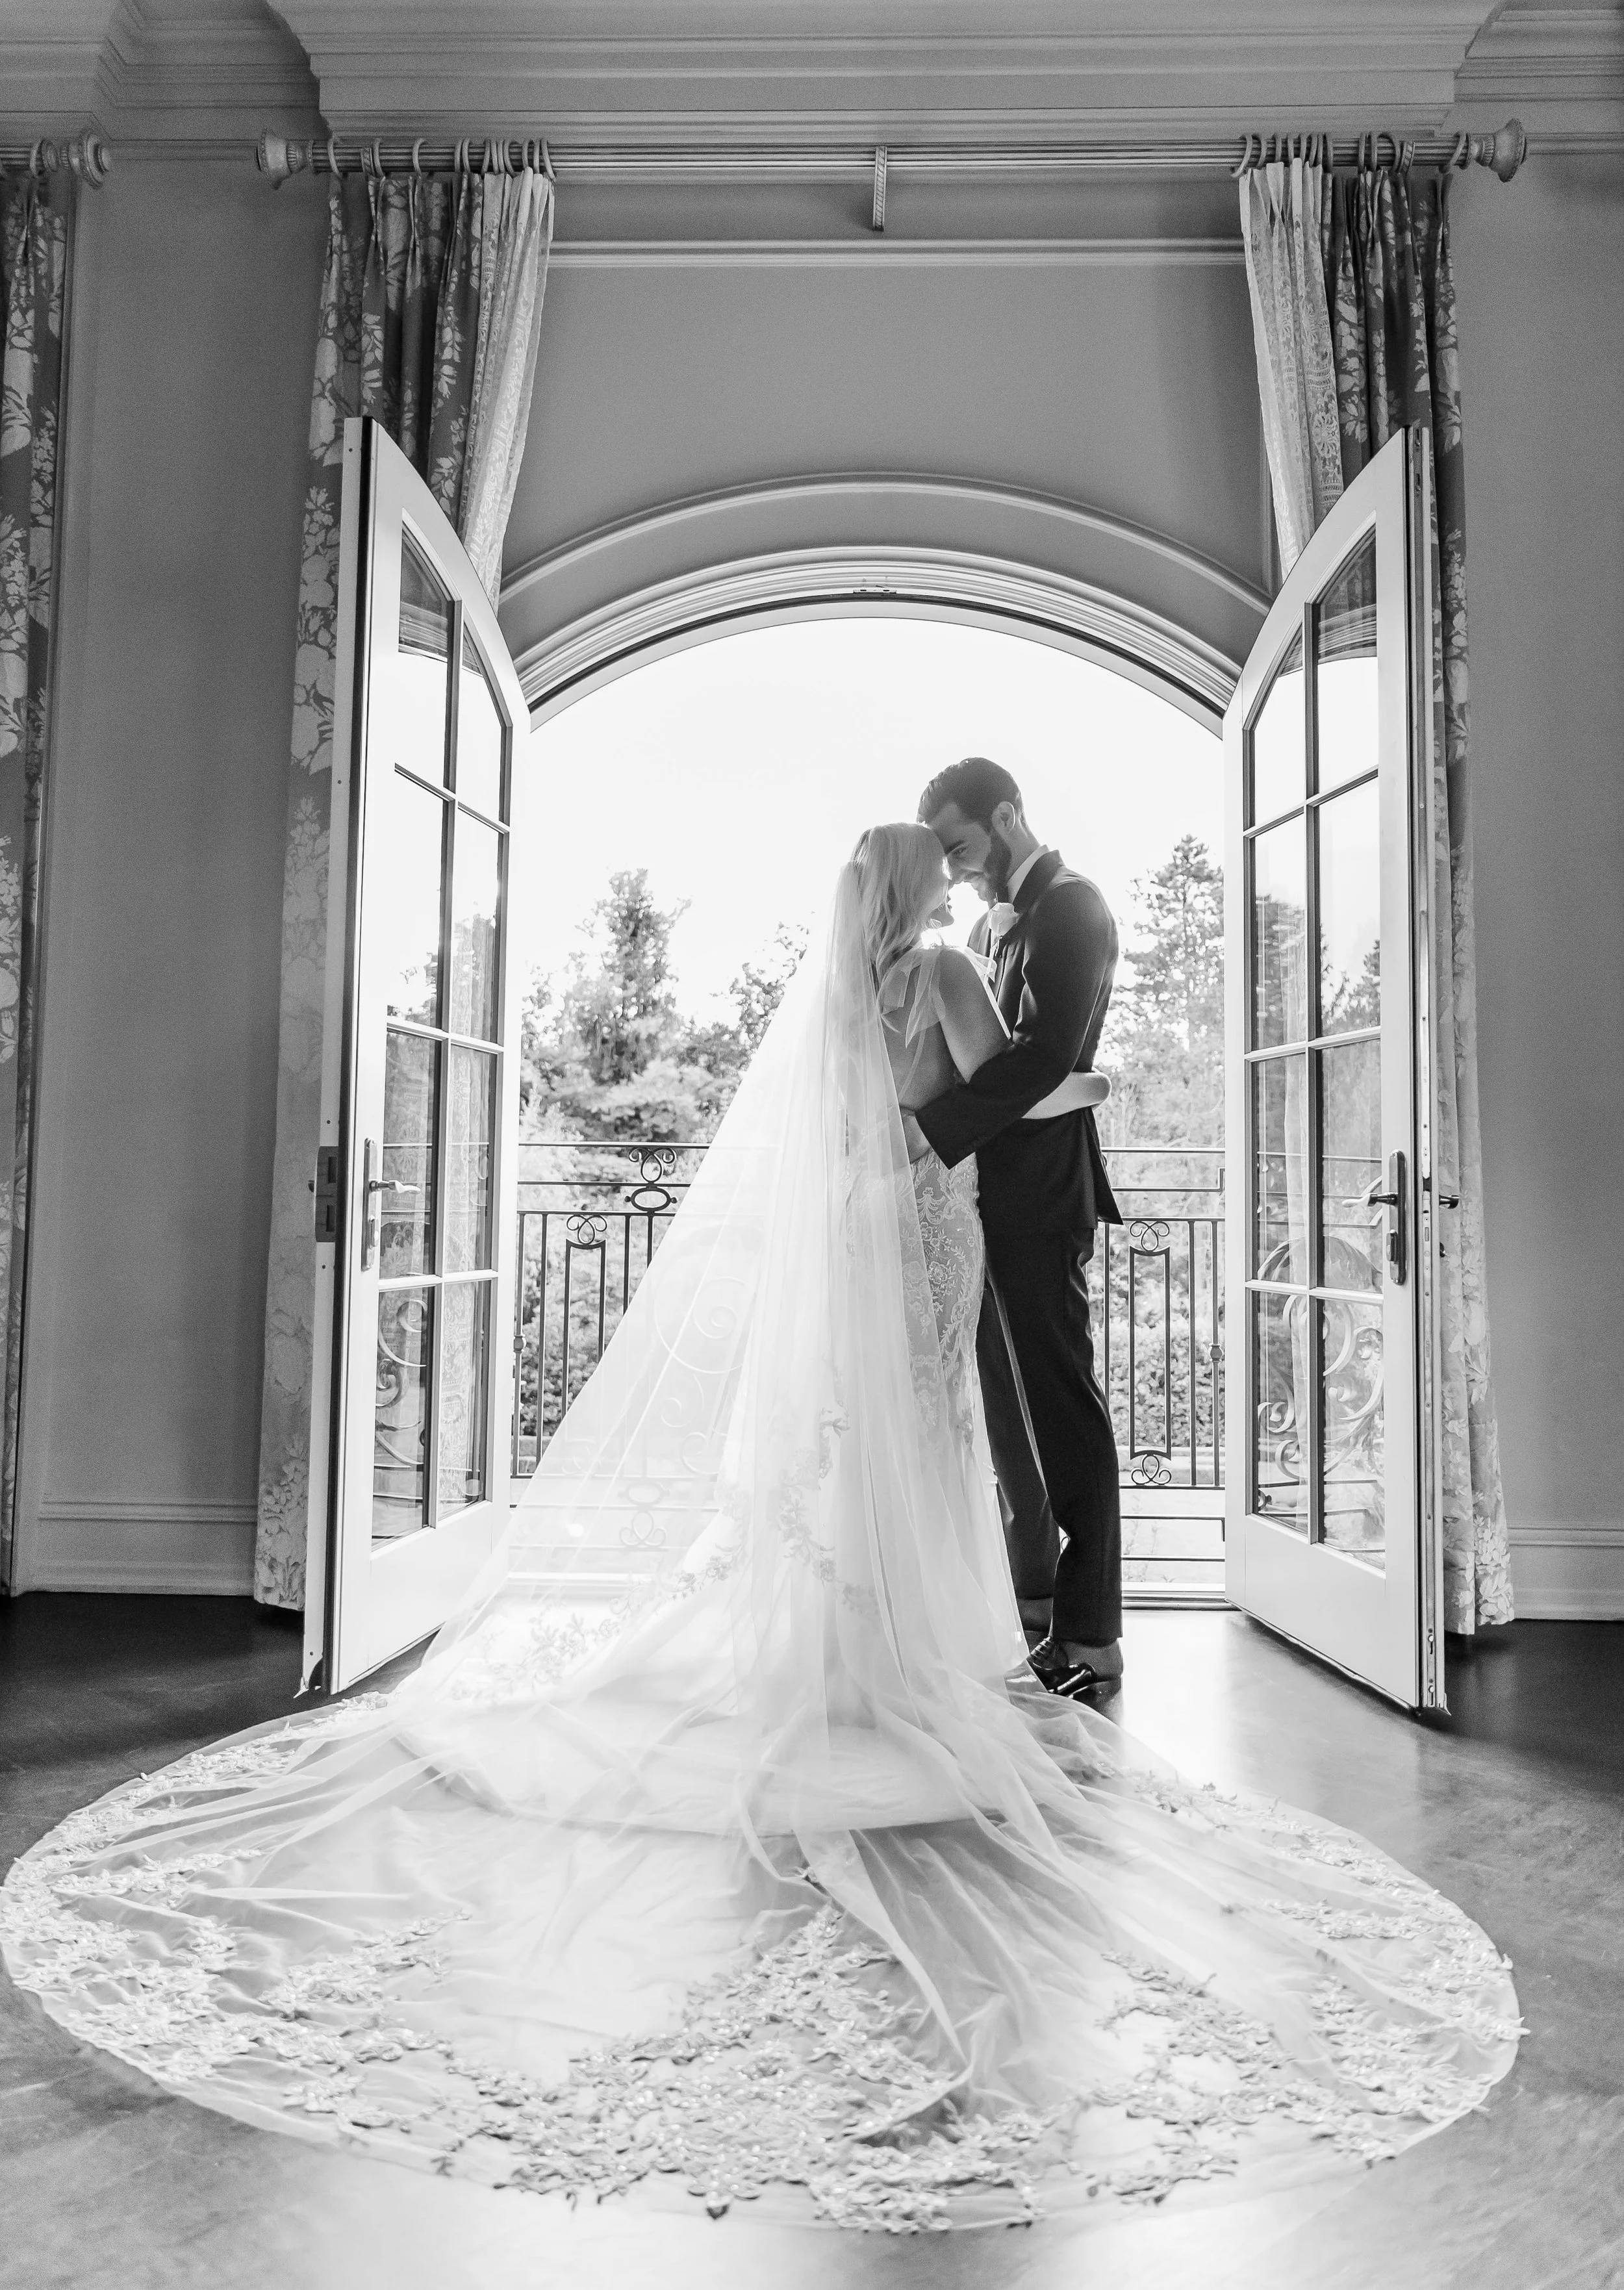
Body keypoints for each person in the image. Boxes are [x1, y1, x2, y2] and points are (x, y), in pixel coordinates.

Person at [0, 826, 1519, 2234]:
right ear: (928, 888)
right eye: (943, 868)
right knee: (923, 1432)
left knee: (848, 1439)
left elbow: (900, 1100)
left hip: (861, 1214)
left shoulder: (851, 984)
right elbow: (1006, 1088)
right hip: (927, 1222)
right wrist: (1090, 1092)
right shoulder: (936, 966)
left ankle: (843, 1621)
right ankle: (909, 1641)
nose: (951, 885)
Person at [913, 757, 1124, 1698]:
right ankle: (1037, 1606)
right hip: (990, 1197)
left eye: (960, 848)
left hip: (1041, 1199)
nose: (955, 872)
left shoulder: (1071, 910)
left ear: (1007, 816)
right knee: (1011, 1419)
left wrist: (926, 1125)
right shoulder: (1003, 923)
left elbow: (1042, 1058)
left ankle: (1093, 1635)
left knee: (1062, 1409)